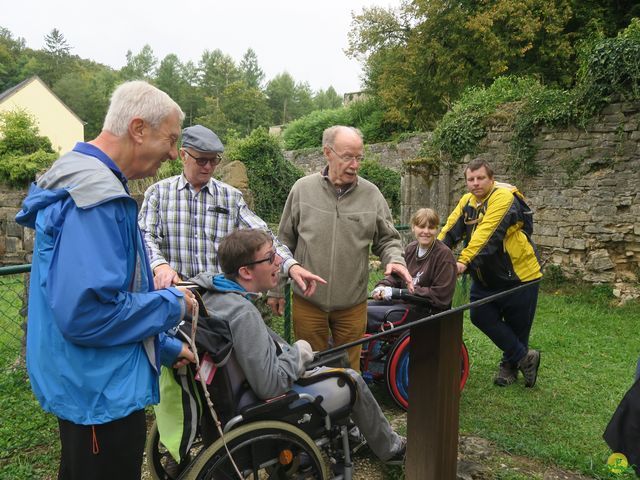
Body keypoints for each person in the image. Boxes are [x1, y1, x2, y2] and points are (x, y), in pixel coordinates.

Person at [15, 80, 199, 480]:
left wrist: (165, 348)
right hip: (100, 395)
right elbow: (88, 314)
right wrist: (173, 304)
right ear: (138, 129)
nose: (173, 152)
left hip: (89, 382)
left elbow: (115, 293)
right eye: (170, 139)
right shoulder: (96, 200)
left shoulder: (84, 180)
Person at [190, 228, 406, 464]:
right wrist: (300, 351)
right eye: (270, 257)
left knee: (336, 359)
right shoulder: (243, 313)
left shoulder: (211, 295)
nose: (278, 264)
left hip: (235, 393)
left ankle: (353, 433)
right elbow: (270, 385)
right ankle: (392, 449)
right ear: (245, 271)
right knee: (352, 380)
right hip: (265, 403)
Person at [268, 125, 412, 371]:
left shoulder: (372, 195)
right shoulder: (302, 190)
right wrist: (276, 290)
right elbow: (283, 243)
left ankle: (348, 409)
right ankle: (316, 410)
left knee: (349, 370)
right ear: (328, 152)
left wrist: (395, 258)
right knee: (310, 366)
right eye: (348, 157)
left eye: (359, 158)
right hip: (308, 300)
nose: (355, 164)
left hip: (352, 305)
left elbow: (388, 239)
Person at [138, 124, 323, 295]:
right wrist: (160, 266)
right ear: (183, 155)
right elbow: (145, 236)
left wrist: (291, 266)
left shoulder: (230, 197)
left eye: (214, 160)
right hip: (175, 293)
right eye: (202, 161)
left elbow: (262, 235)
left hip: (219, 298)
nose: (209, 167)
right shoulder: (158, 193)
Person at [438, 159, 543, 387]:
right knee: (479, 316)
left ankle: (509, 367)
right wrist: (433, 255)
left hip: (519, 276)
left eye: (480, 178)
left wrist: (463, 261)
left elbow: (486, 235)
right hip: (486, 277)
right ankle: (525, 357)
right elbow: (450, 229)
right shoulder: (467, 201)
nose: (475, 184)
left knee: (518, 325)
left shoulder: (503, 199)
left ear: (491, 179)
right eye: (471, 179)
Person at [369, 208, 457, 322]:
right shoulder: (411, 248)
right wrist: (382, 286)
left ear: (437, 230)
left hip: (426, 311)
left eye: (431, 227)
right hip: (403, 303)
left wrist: (400, 293)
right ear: (413, 227)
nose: (426, 231)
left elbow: (440, 296)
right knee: (360, 309)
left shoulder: (444, 255)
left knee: (366, 314)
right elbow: (396, 276)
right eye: (421, 226)